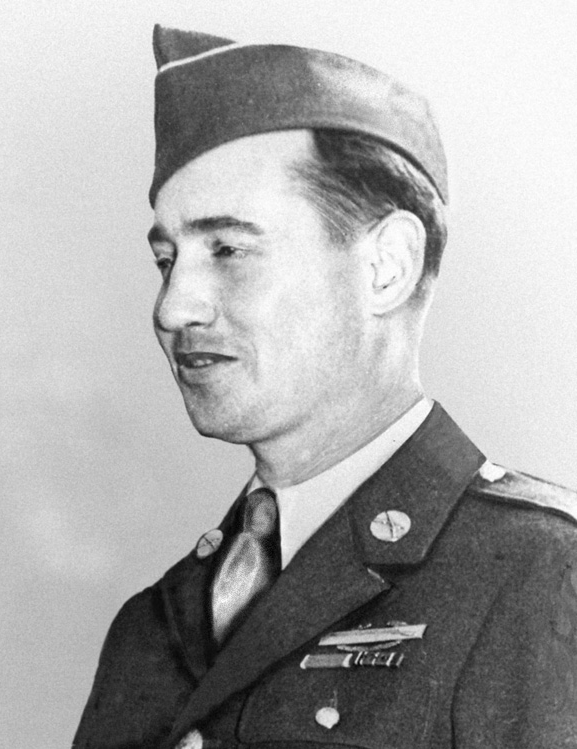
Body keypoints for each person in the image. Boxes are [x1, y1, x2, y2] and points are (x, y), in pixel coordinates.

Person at [73, 24, 577, 749]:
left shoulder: (537, 573)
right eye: (166, 260)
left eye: (228, 249)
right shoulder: (152, 627)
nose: (174, 307)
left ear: (386, 267)